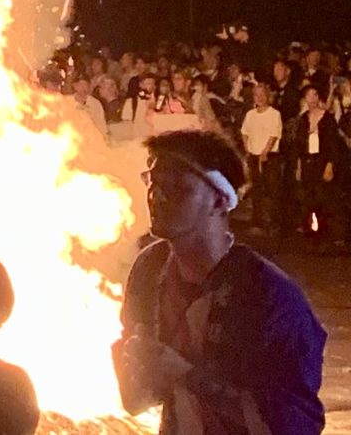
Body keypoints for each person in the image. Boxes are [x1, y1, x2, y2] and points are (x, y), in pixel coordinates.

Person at [118, 129, 324, 435]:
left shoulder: (268, 295)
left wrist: (186, 375)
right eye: (153, 181)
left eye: (176, 185)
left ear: (218, 198)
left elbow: (296, 424)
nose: (156, 196)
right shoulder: (150, 268)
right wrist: (134, 363)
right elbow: (139, 400)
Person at [290, 86, 344, 242]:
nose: (311, 99)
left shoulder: (327, 119)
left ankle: (328, 234)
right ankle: (311, 233)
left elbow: (333, 145)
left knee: (324, 198)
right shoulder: (303, 119)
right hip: (307, 162)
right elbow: (298, 146)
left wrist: (330, 165)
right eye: (308, 96)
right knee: (308, 198)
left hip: (322, 161)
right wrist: (299, 166)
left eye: (314, 95)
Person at [242, 83, 285, 230]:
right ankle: (257, 222)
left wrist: (265, 152)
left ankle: (274, 223)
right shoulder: (250, 114)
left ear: (267, 96)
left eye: (262, 95)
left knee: (273, 190)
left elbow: (274, 135)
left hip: (269, 157)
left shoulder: (274, 114)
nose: (259, 98)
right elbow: (245, 132)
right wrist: (248, 150)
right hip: (254, 156)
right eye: (256, 95)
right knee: (257, 190)